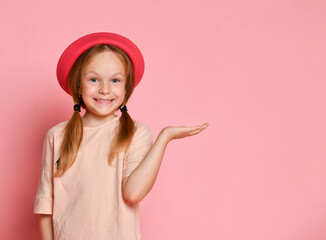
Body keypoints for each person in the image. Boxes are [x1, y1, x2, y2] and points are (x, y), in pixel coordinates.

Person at [33, 32, 208, 240]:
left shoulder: (136, 133)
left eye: (115, 80)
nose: (105, 89)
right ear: (79, 84)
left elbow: (133, 193)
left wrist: (164, 138)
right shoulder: (57, 136)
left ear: (126, 88)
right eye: (94, 79)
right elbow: (46, 206)